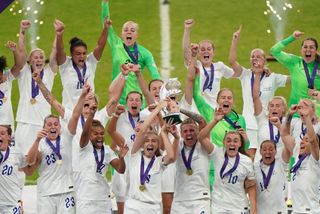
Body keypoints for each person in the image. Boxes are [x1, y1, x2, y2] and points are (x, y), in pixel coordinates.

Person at [26, 84, 91, 213]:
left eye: (56, 124)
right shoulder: (39, 143)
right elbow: (30, 161)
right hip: (46, 193)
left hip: (67, 191)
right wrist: (37, 140)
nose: (53, 127)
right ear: (44, 127)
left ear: (60, 127)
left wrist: (83, 95)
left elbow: (75, 116)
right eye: (49, 125)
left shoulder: (66, 137)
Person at [229, 25, 290, 158]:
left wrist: (290, 62)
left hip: (266, 124)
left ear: (264, 60)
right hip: (249, 123)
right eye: (252, 56)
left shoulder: (272, 77)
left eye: (259, 56)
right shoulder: (245, 74)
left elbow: (294, 79)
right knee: (250, 157)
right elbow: (232, 62)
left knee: (267, 157)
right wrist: (234, 41)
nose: (255, 59)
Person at [101, 0, 161, 105]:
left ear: (136, 35)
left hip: (137, 101)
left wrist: (159, 91)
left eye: (132, 30)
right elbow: (106, 24)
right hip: (118, 99)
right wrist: (105, 3)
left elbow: (155, 75)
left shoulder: (145, 53)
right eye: (125, 30)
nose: (129, 32)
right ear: (122, 34)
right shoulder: (116, 45)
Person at [13, 20, 57, 155]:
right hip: (24, 122)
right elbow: (21, 50)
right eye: (36, 58)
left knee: (43, 161)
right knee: (21, 162)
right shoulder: (24, 71)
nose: (39, 60)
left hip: (43, 124)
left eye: (41, 57)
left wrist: (58, 34)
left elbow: (55, 52)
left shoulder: (49, 72)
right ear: (30, 60)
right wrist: (22, 31)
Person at [124, 101, 177, 214]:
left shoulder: (159, 162)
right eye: (147, 141)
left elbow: (171, 157)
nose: (150, 144)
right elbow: (142, 130)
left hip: (153, 208)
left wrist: (163, 133)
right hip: (133, 206)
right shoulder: (134, 155)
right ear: (142, 144)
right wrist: (157, 109)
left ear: (158, 145)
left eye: (154, 141)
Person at [198, 112, 257, 214]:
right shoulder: (217, 153)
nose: (232, 143)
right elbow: (201, 137)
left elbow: (250, 186)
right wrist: (215, 121)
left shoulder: (246, 161)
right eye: (228, 141)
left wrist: (254, 209)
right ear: (224, 143)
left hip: (239, 207)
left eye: (235, 141)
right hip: (219, 207)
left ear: (240, 143)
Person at [77, 103, 128, 214]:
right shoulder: (85, 148)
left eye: (102, 134)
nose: (100, 136)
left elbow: (121, 169)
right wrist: (91, 115)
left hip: (104, 200)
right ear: (90, 136)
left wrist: (122, 158)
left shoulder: (108, 150)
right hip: (86, 200)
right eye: (95, 134)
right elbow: (84, 134)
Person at [54, 17, 111, 110]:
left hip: (88, 113)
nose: (82, 56)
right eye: (78, 54)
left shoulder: (90, 62)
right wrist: (59, 35)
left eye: (84, 53)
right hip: (70, 114)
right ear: (71, 55)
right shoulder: (65, 65)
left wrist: (106, 29)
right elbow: (60, 50)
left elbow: (100, 46)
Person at [182, 19, 241, 109]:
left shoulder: (220, 66)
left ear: (213, 52)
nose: (206, 51)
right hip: (196, 109)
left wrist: (257, 71)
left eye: (209, 49)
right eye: (202, 49)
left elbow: (238, 73)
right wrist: (187, 30)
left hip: (213, 110)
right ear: (197, 53)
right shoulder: (195, 65)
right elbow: (186, 52)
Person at [270, 30, 320, 117]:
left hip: (316, 116)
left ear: (316, 51)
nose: (308, 49)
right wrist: (292, 38)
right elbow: (274, 51)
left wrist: (317, 94)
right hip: (296, 115)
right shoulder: (295, 62)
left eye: (311, 47)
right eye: (305, 47)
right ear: (301, 50)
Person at [282, 103, 320, 213]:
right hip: (295, 210)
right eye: (302, 140)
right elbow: (284, 135)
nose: (302, 142)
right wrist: (290, 115)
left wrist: (307, 118)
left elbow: (313, 141)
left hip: (310, 211)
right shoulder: (297, 160)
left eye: (306, 141)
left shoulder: (315, 160)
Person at [170, 118, 212, 214]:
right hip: (180, 200)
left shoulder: (203, 143)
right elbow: (172, 157)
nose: (189, 133)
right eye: (185, 131)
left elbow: (202, 121)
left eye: (192, 130)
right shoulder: (177, 143)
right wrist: (176, 138)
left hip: (201, 199)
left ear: (198, 131)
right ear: (181, 133)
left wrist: (180, 110)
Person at [252, 70, 293, 161]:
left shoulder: (288, 121)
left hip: (281, 162)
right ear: (268, 108)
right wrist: (258, 75)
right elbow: (255, 97)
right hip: (261, 161)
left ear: (283, 109)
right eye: (271, 106)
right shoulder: (262, 119)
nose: (274, 108)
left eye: (277, 106)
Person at [0, 125, 36, 214]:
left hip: (12, 204)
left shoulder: (16, 154)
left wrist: (37, 144)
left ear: (9, 137)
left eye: (2, 133)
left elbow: (29, 170)